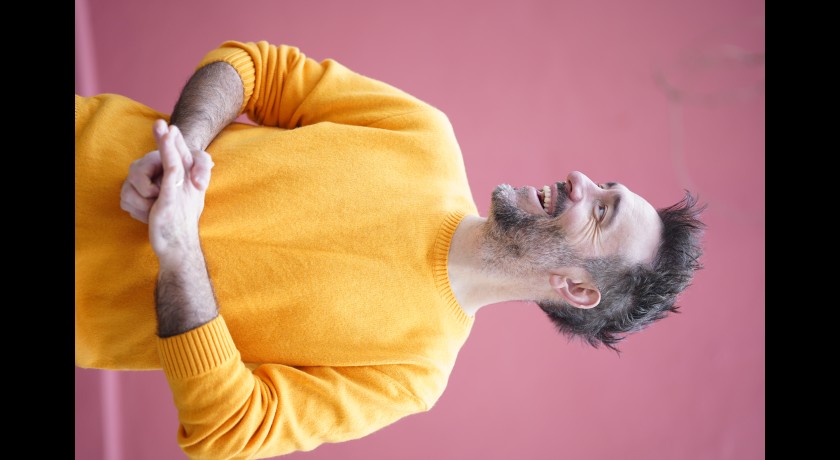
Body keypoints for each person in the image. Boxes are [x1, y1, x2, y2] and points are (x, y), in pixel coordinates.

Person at [75, 40, 705, 459]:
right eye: (604, 186)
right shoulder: (424, 136)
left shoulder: (412, 374)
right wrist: (183, 146)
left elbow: (229, 427)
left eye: (600, 211)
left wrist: (180, 255)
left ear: (576, 288)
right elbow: (258, 68)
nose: (578, 180)